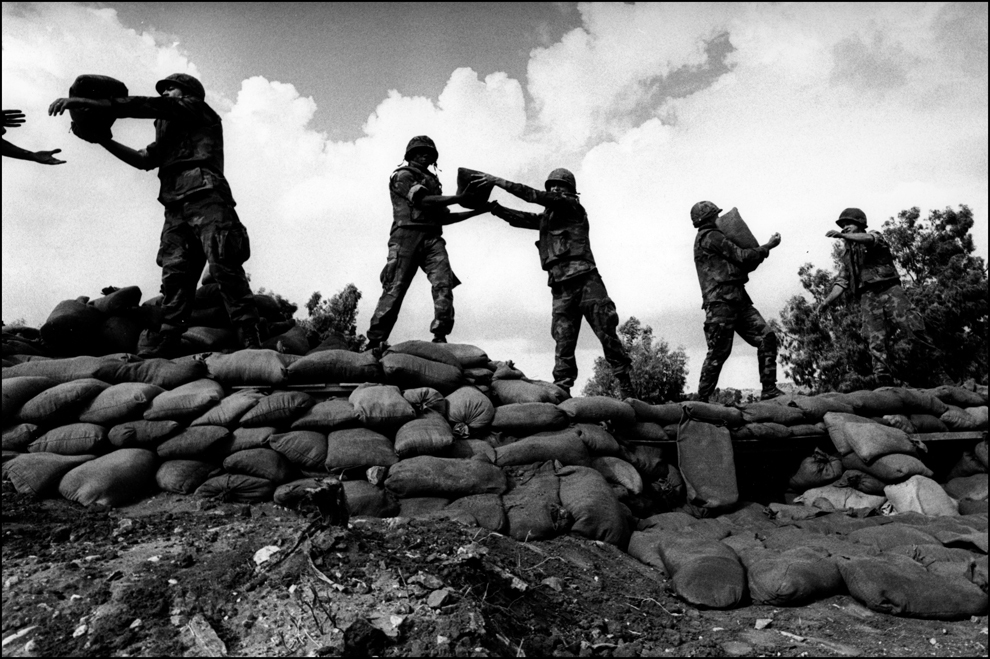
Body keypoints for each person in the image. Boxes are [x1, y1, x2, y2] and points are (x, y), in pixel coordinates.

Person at [49, 73, 261, 357]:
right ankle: (169, 338)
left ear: (189, 92)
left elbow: (147, 105)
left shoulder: (195, 108)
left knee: (224, 265)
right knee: (175, 276)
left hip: (206, 196)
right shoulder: (168, 127)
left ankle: (249, 335)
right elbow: (144, 160)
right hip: (175, 205)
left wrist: (88, 102)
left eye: (170, 88)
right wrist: (102, 140)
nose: (165, 94)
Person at [481, 168, 635, 399]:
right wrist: (496, 209)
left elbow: (533, 195)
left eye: (560, 186)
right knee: (563, 340)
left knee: (606, 333)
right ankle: (562, 387)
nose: (554, 189)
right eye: (552, 186)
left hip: (586, 281)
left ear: (570, 191)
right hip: (561, 286)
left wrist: (498, 182)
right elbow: (523, 219)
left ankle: (625, 383)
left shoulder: (571, 207)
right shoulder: (549, 218)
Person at [365, 136, 491, 352]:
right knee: (395, 288)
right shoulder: (403, 176)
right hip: (406, 237)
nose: (425, 156)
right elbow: (422, 201)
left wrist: (477, 211)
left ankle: (440, 335)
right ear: (410, 155)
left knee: (444, 284)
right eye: (420, 152)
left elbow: (443, 217)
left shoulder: (433, 182)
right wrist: (459, 197)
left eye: (428, 153)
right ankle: (375, 340)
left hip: (432, 237)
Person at [817, 207, 933, 386]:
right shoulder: (847, 255)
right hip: (868, 297)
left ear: (860, 224)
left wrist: (843, 237)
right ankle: (883, 380)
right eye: (843, 226)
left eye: (849, 224)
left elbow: (869, 239)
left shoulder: (873, 236)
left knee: (913, 327)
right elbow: (841, 282)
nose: (845, 228)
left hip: (889, 290)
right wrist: (826, 302)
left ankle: (937, 371)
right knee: (874, 339)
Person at [691, 200, 783, 401]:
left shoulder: (708, 238)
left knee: (766, 336)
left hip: (737, 300)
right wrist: (768, 246)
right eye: (715, 216)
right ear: (710, 218)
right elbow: (742, 257)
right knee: (718, 352)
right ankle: (702, 400)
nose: (718, 219)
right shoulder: (711, 237)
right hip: (721, 304)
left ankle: (769, 389)